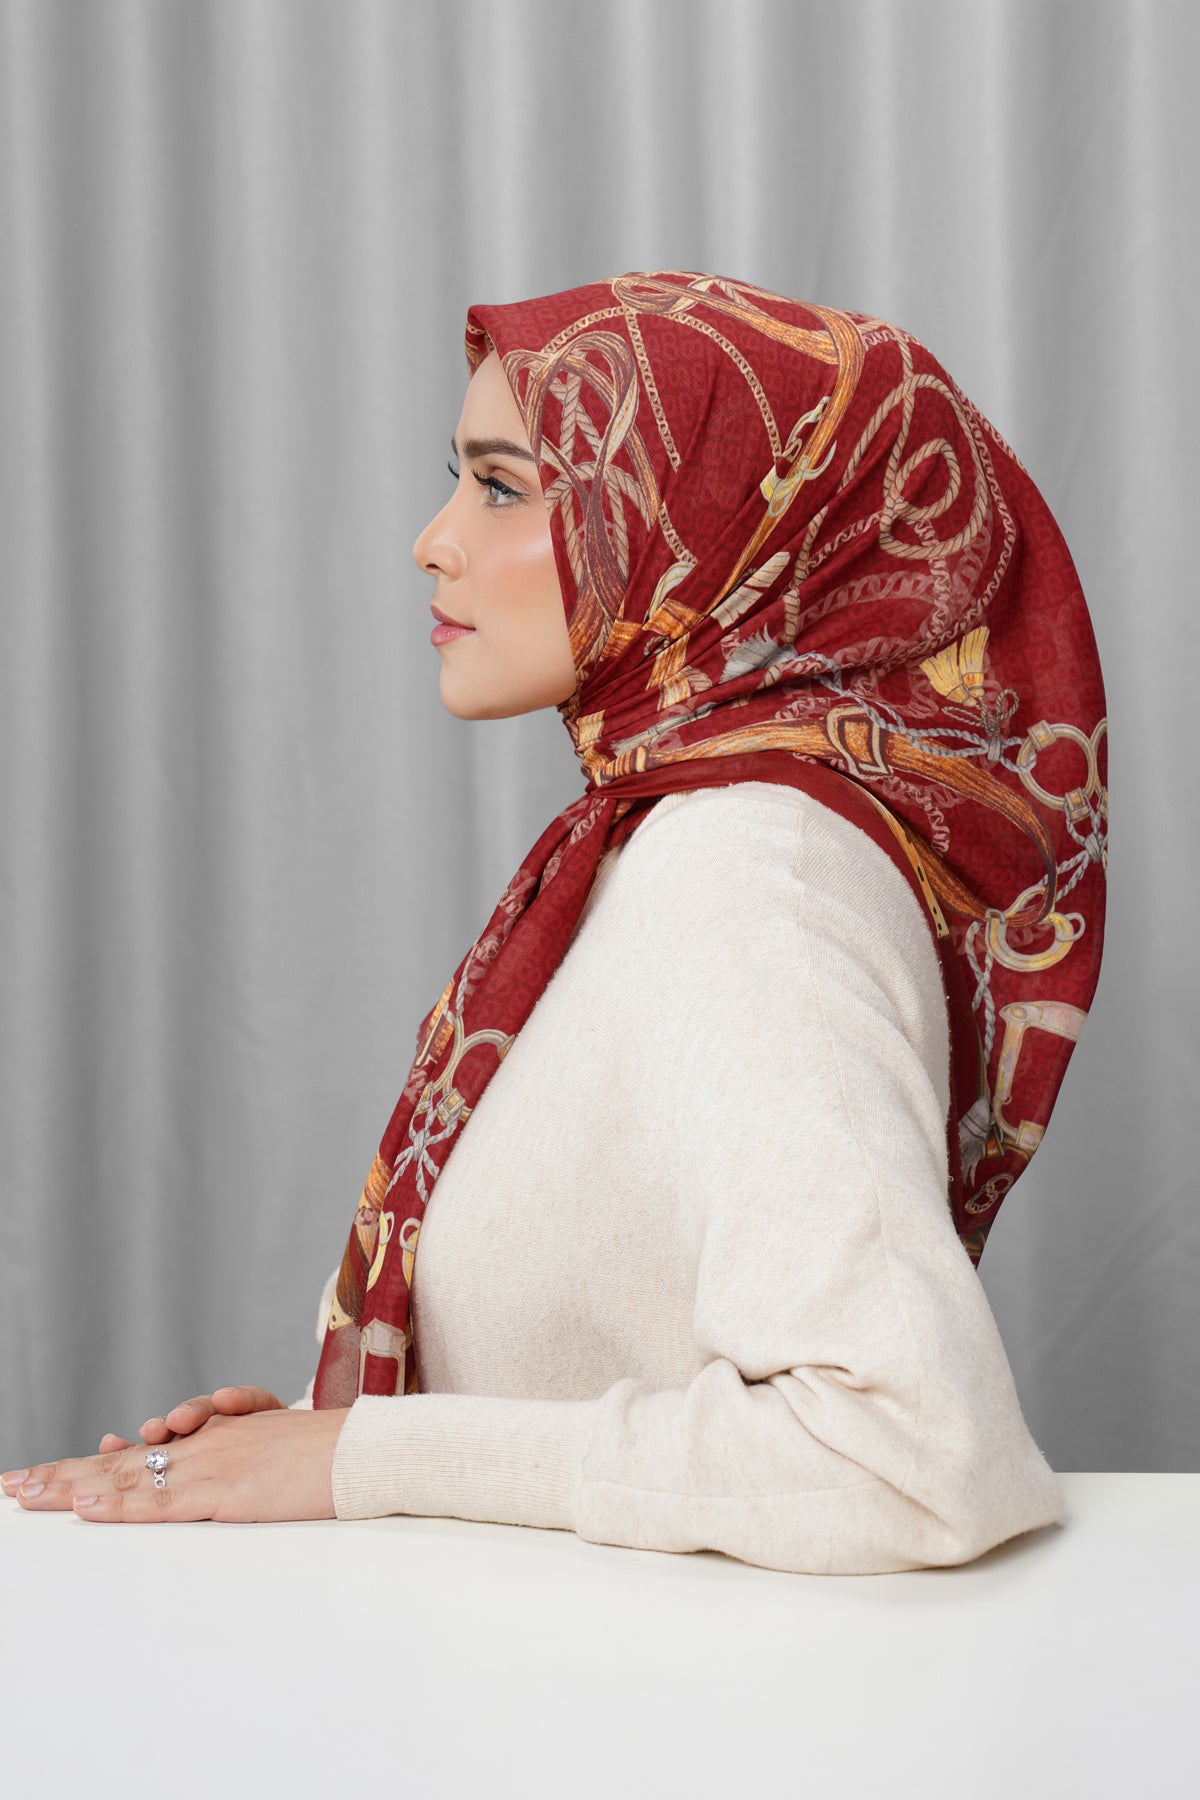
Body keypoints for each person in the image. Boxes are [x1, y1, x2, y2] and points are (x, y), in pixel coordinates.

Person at [2, 271, 1107, 1573]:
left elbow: (911, 1458)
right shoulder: (653, 834)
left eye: (501, 486)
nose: (434, 541)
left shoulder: (757, 871)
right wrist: (320, 1442)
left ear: (705, 528)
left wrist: (368, 1460)